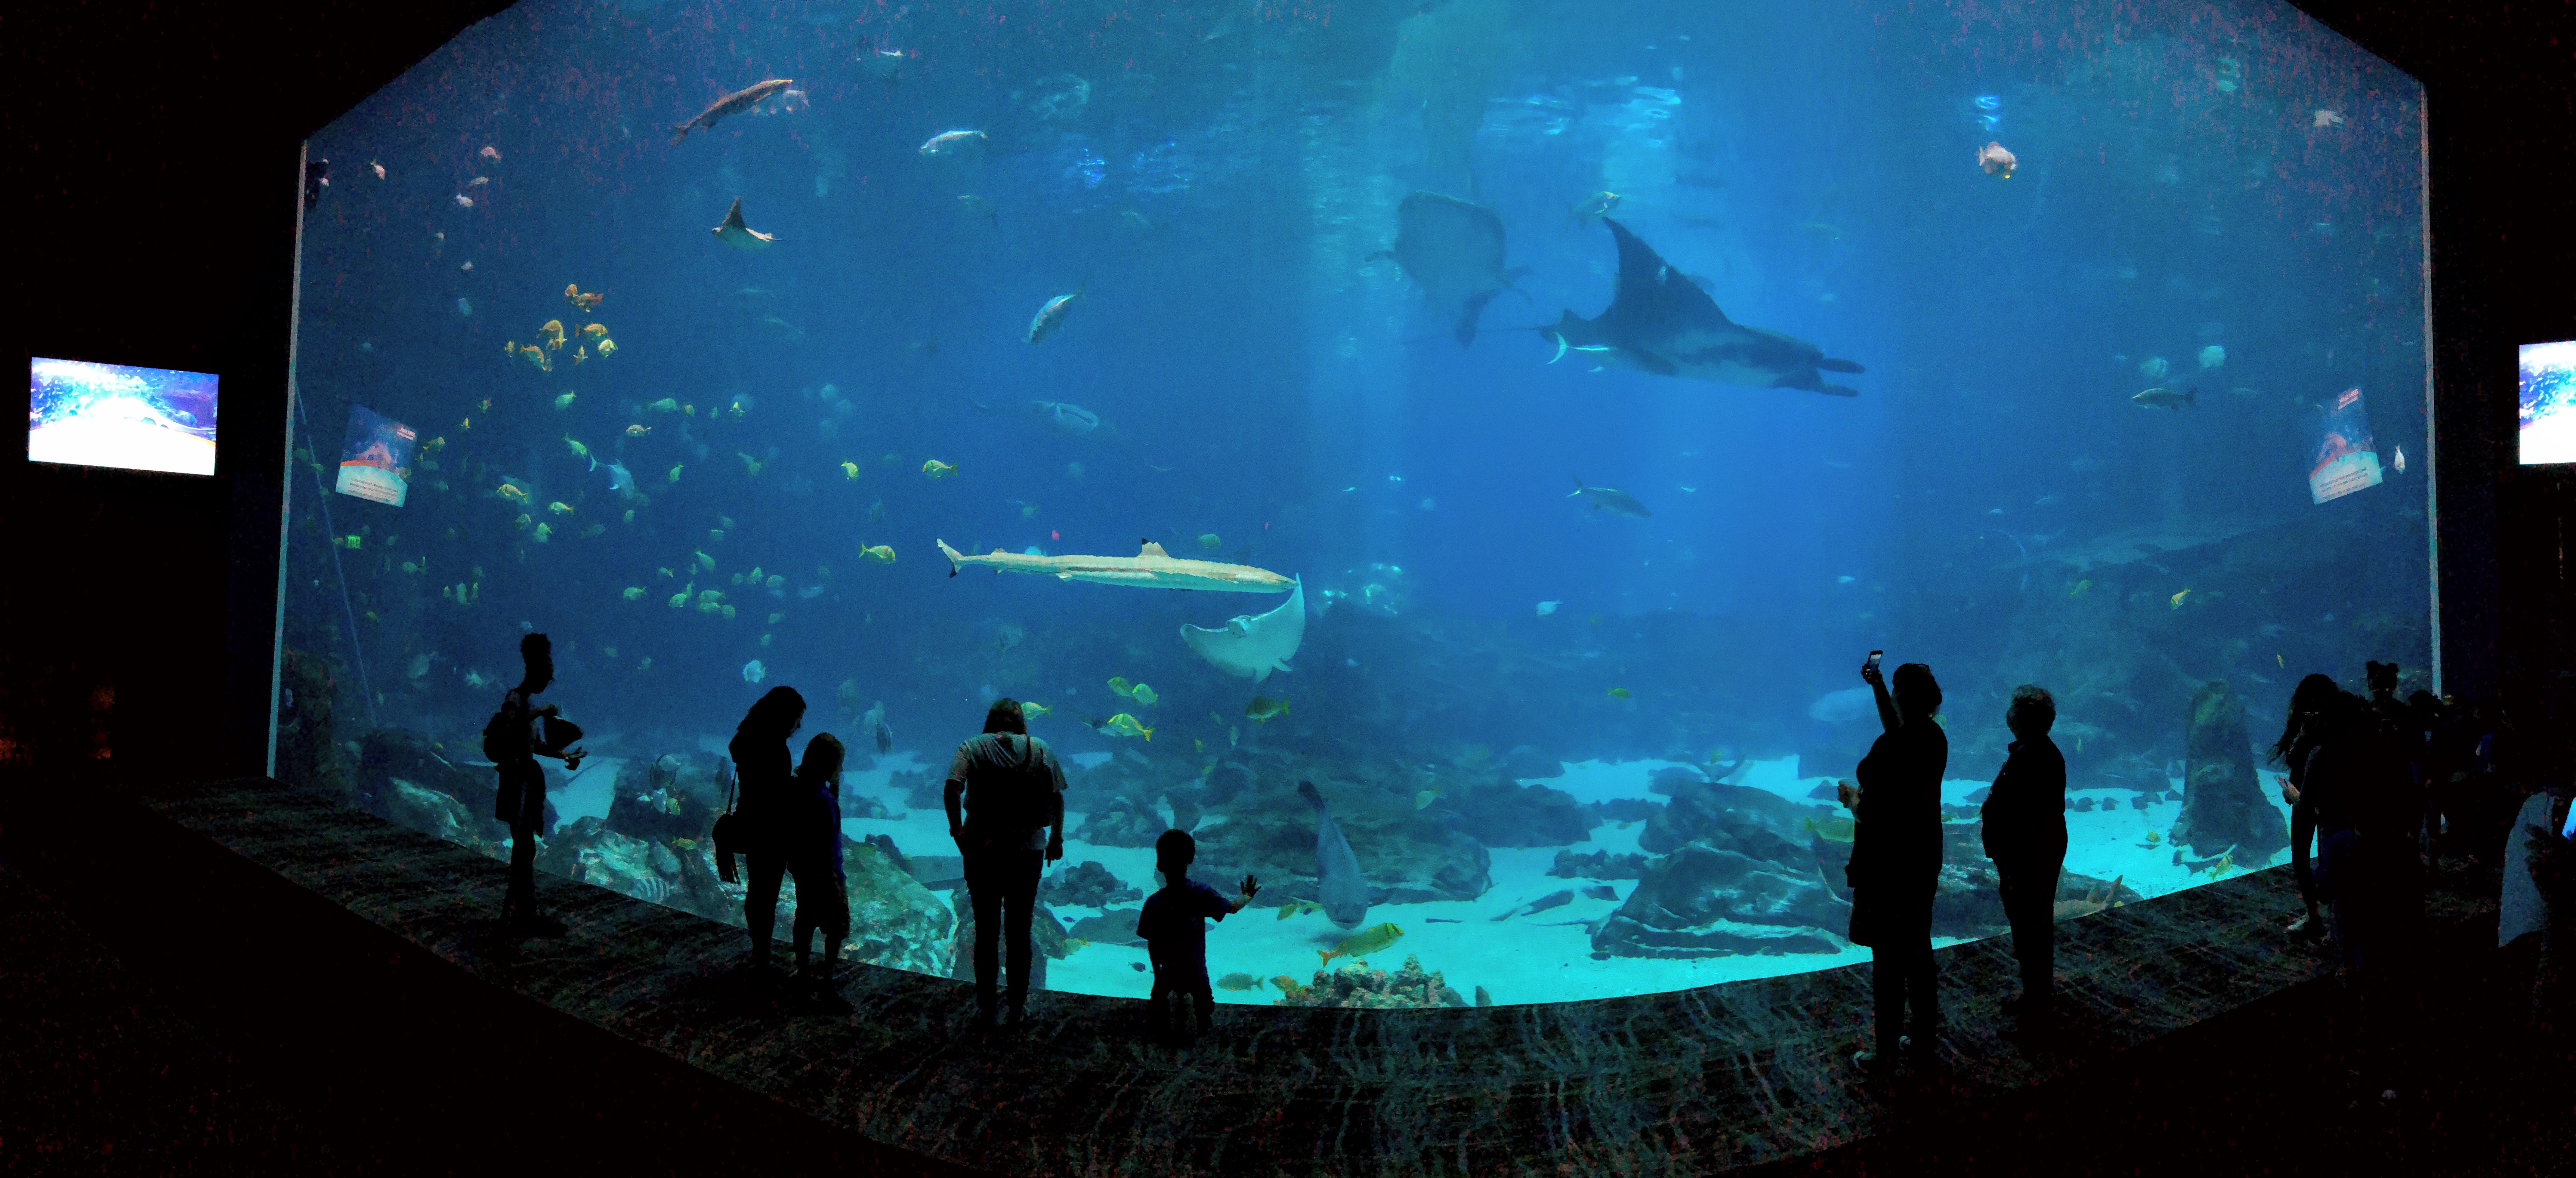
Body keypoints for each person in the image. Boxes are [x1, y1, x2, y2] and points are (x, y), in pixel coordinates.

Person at [2292, 687, 2425, 1105]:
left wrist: (2303, 805)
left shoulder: (2343, 844)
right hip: (2398, 942)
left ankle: (2357, 1083)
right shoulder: (2402, 847)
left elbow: (2324, 886)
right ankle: (2394, 1080)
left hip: (2355, 945)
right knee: (2395, 1007)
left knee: (2359, 1010)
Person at [1839, 658, 1947, 1075]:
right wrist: (1878, 685)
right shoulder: (1932, 738)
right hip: (1921, 859)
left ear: (1904, 698)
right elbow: (1901, 729)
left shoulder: (1892, 748)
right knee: (1918, 951)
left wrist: (1850, 798)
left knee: (1886, 961)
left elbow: (1873, 813)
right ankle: (1922, 1040)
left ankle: (1884, 1055)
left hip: (1886, 867)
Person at [944, 698, 1067, 1029]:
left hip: (981, 849)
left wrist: (958, 832)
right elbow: (1057, 797)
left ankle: (986, 1008)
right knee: (1019, 931)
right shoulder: (1040, 748)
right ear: (1022, 723)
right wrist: (1056, 838)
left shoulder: (971, 746)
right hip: (1027, 852)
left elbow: (952, 787)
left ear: (989, 721)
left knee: (986, 931)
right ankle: (1016, 1009)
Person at [1981, 684, 2067, 1026]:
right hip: (2033, 851)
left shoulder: (2031, 757)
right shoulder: (2041, 751)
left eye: (2013, 709)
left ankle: (2038, 1010)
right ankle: (2035, 994)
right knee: (2031, 926)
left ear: (2019, 719)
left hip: (2028, 855)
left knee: (2032, 928)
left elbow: (2020, 812)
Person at [493, 633, 585, 936]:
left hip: (526, 781)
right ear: (533, 671)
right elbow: (510, 725)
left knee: (526, 846)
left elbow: (535, 744)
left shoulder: (527, 703)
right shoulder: (516, 699)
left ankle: (521, 910)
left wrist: (563, 754)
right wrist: (542, 712)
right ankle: (521, 914)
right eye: (546, 674)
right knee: (522, 846)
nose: (549, 681)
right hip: (515, 781)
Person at [1135, 829, 1259, 1041]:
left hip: (1165, 973)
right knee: (1204, 1010)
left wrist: (1158, 973)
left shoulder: (1153, 904)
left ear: (1159, 865)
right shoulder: (1200, 893)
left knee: (1158, 1011)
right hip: (1195, 972)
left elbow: (1151, 944)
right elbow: (1232, 908)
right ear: (1191, 859)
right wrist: (1246, 896)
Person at [730, 686, 806, 971]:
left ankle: (759, 949)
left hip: (750, 822)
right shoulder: (774, 748)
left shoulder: (747, 739)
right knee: (767, 895)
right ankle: (761, 957)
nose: (799, 726)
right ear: (783, 716)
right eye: (797, 719)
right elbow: (774, 795)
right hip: (770, 830)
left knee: (757, 891)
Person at [2270, 674, 2342, 940]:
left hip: (2328, 802)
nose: (2310, 711)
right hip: (2300, 799)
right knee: (2300, 860)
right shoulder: (2302, 729)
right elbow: (2291, 760)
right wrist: (2302, 733)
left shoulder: (2335, 731)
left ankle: (2337, 919)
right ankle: (2314, 917)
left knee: (2330, 861)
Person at [786, 732, 853, 1013]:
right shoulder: (824, 801)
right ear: (829, 765)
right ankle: (827, 982)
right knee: (836, 928)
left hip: (803, 870)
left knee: (805, 920)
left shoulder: (797, 789)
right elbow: (828, 839)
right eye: (839, 764)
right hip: (828, 874)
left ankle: (803, 975)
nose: (841, 769)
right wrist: (836, 881)